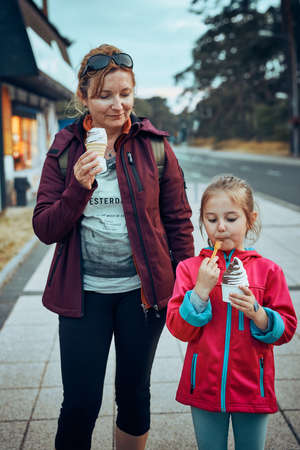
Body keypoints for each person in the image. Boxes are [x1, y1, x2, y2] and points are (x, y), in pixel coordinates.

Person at [32, 43, 194, 450]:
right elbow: (44, 228)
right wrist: (77, 188)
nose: (118, 105)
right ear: (84, 97)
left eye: (125, 94)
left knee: (134, 395)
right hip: (83, 296)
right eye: (105, 95)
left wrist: (187, 284)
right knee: (81, 403)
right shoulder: (65, 149)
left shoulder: (155, 147)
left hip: (143, 298)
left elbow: (178, 221)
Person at [166, 174, 297, 450]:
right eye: (212, 220)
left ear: (250, 219)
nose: (221, 227)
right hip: (202, 386)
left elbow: (286, 327)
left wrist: (259, 315)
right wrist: (200, 292)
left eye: (231, 218)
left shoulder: (268, 270)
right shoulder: (190, 269)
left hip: (252, 386)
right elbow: (178, 328)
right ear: (203, 221)